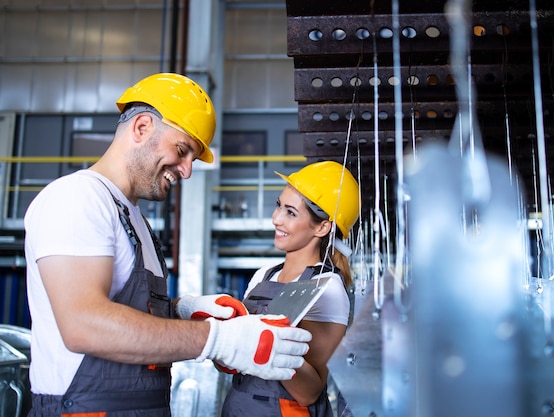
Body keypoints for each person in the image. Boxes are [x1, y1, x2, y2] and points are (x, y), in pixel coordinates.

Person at [23, 72, 312, 417]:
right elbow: (84, 324)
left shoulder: (134, 219)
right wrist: (222, 340)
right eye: (182, 150)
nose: (187, 171)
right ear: (142, 127)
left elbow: (125, 305)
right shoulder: (77, 198)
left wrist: (182, 309)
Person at [220, 160, 360, 417]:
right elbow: (237, 360)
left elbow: (308, 391)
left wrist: (270, 346)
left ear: (322, 227)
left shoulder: (326, 288)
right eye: (279, 206)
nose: (276, 219)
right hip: (239, 406)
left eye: (290, 212)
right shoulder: (265, 275)